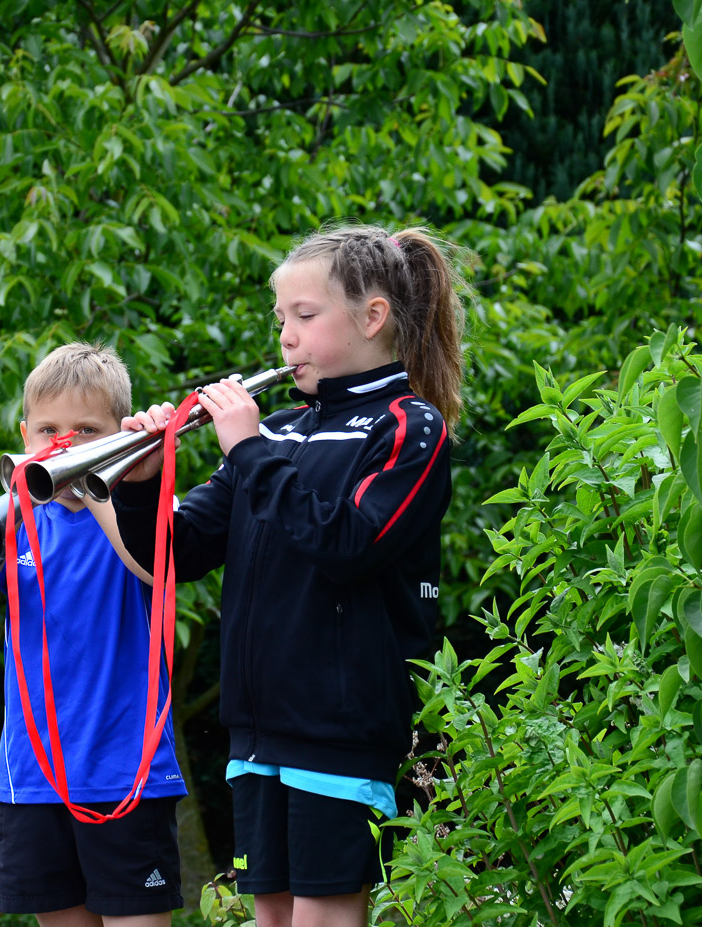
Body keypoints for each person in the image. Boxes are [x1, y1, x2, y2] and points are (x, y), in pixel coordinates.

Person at [113, 225, 462, 927]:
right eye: (281, 319)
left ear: (372, 316)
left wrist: (248, 452)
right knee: (270, 915)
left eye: (305, 316)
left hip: (341, 729)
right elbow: (173, 554)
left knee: (323, 916)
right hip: (257, 733)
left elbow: (349, 545)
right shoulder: (276, 431)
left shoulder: (408, 428)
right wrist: (143, 482)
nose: (286, 338)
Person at [0, 342, 187, 927]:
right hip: (32, 780)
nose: (63, 444)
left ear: (119, 436)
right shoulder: (17, 523)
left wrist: (99, 484)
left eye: (85, 431)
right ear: (24, 436)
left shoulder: (143, 512)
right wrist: (14, 503)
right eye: (48, 431)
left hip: (128, 774)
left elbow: (152, 565)